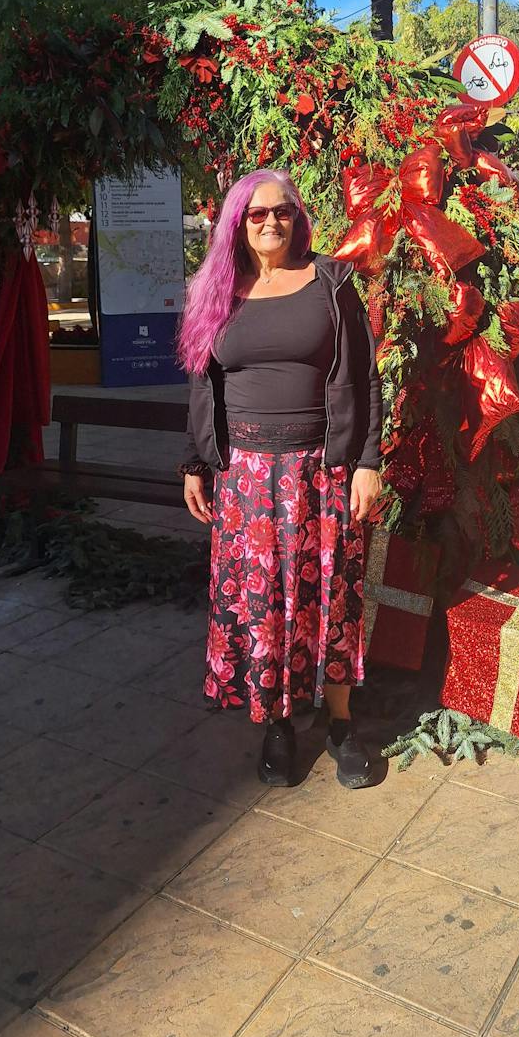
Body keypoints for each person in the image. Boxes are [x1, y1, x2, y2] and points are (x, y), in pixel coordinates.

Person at [178, 169, 383, 789]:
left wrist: (368, 462)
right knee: (264, 605)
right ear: (237, 223)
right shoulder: (216, 291)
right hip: (244, 478)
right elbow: (203, 384)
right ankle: (278, 723)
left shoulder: (331, 283)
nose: (271, 222)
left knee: (333, 597)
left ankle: (341, 723)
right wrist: (195, 462)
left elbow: (365, 377)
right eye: (257, 213)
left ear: (298, 218)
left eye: (283, 211)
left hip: (321, 471)